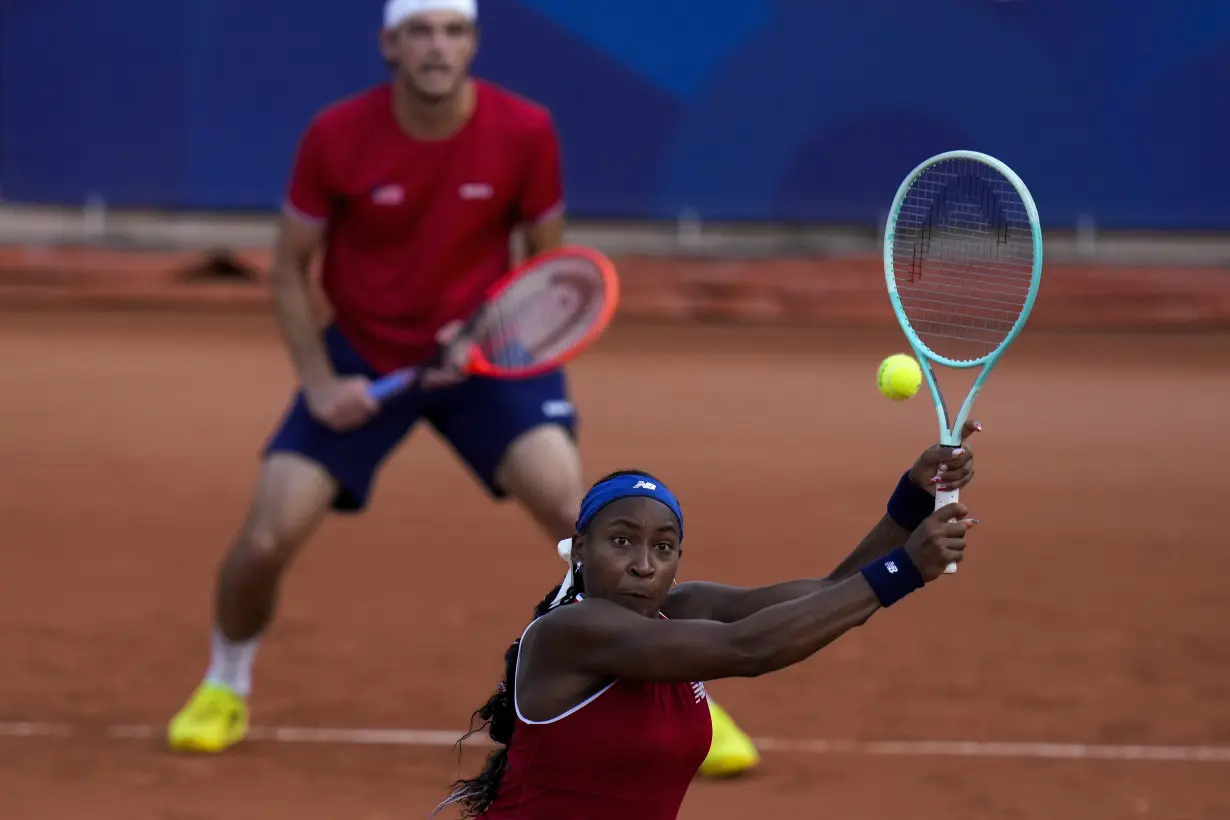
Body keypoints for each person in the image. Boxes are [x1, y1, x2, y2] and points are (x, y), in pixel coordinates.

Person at [165, 0, 760, 777]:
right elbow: (287, 266)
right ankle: (225, 684)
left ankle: (682, 698)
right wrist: (318, 381)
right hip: (365, 357)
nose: (436, 46)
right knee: (267, 537)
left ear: (472, 42)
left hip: (488, 356)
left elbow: (548, 281)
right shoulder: (336, 135)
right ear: (391, 44)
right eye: (419, 31)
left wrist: (481, 334)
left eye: (451, 30)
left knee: (578, 514)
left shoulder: (524, 130)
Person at [437, 423, 981, 819]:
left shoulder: (685, 607)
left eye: (663, 547)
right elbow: (749, 649)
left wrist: (914, 496)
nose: (643, 565)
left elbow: (827, 593)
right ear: (580, 550)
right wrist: (905, 568)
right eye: (621, 541)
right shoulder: (571, 633)